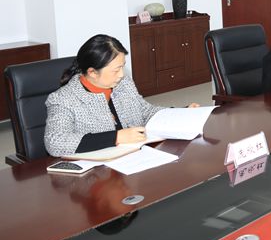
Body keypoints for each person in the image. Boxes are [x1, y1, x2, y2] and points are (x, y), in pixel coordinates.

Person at [44, 34, 199, 157]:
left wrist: (180, 113)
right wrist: (116, 137)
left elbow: (145, 111)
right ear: (92, 72)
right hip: (96, 174)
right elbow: (55, 142)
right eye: (116, 70)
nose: (121, 74)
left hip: (135, 159)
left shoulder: (124, 84)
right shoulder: (63, 99)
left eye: (122, 67)